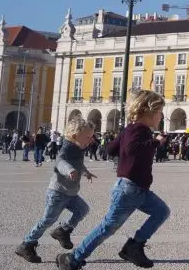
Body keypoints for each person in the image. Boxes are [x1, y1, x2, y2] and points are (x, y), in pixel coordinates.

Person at [56, 90, 170, 270]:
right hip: (128, 190)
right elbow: (133, 149)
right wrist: (156, 142)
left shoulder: (131, 129)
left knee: (161, 211)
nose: (161, 116)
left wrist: (125, 147)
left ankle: (134, 246)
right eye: (159, 112)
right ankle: (74, 258)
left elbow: (110, 149)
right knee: (107, 227)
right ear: (148, 112)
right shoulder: (140, 130)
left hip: (138, 189)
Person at [15, 117, 97, 263]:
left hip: (71, 193)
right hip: (58, 193)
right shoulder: (67, 148)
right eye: (88, 137)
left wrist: (86, 172)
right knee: (48, 220)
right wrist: (69, 170)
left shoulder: (78, 149)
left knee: (83, 209)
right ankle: (26, 244)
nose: (91, 140)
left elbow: (79, 164)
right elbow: (60, 162)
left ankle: (62, 231)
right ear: (74, 136)